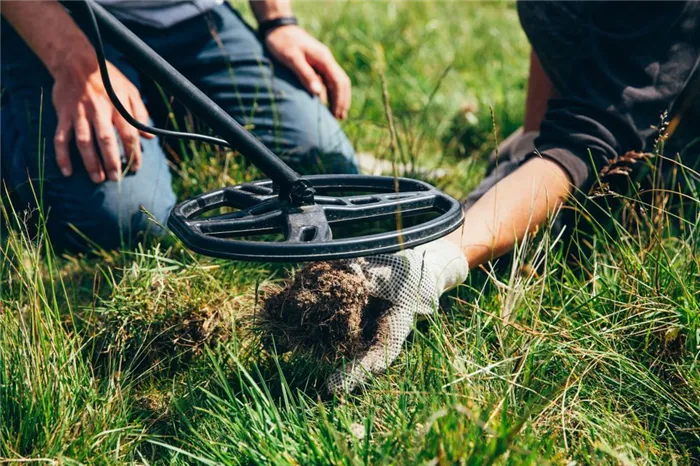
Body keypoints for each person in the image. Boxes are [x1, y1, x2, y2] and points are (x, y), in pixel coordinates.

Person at [323, 0, 700, 392]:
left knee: (645, 184)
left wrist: (437, 259)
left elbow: (587, 140)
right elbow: (562, 27)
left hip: (679, 129)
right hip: (616, 79)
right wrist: (532, 141)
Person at [0, 0, 358, 252]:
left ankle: (159, 113)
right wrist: (71, 62)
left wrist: (278, 21)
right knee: (127, 223)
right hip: (66, 16)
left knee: (329, 169)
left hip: (198, 19)